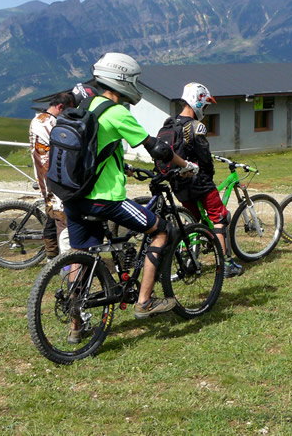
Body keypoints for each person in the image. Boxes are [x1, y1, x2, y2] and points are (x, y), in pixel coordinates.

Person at [63, 52, 200, 342]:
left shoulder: (87, 105)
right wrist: (186, 165)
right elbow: (159, 149)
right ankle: (144, 301)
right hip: (105, 198)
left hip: (73, 196)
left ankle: (76, 327)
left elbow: (96, 150)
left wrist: (123, 166)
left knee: (82, 256)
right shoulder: (117, 112)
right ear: (123, 80)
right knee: (163, 230)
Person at [159, 82, 243, 278]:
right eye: (205, 106)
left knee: (191, 222)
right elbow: (204, 158)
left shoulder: (171, 124)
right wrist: (209, 175)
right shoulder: (196, 127)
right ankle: (226, 265)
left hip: (178, 183)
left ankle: (189, 262)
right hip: (199, 182)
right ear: (197, 103)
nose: (205, 110)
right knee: (219, 217)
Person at [29, 92, 76, 263]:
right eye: (70, 109)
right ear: (61, 107)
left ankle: (51, 257)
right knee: (61, 216)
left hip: (45, 173)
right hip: (51, 175)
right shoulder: (48, 122)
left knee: (51, 215)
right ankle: (65, 261)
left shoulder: (40, 119)